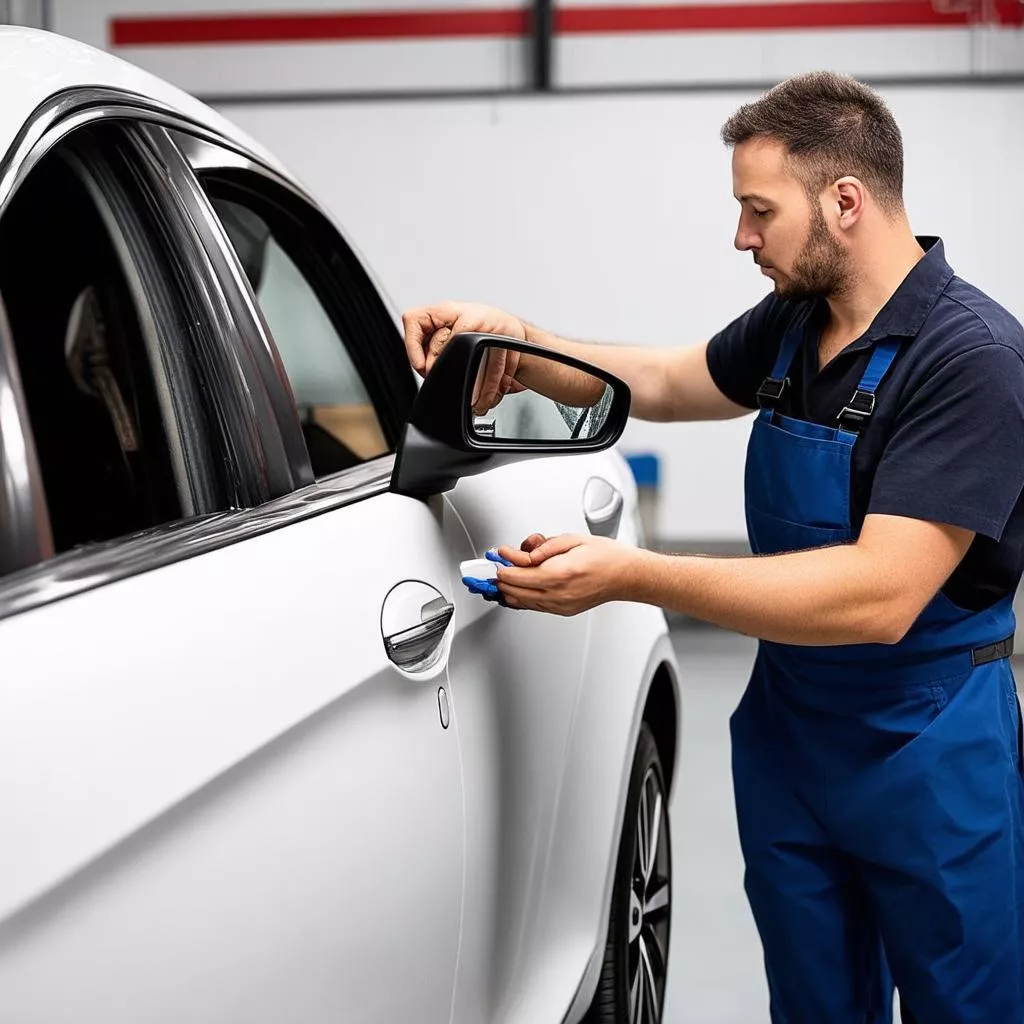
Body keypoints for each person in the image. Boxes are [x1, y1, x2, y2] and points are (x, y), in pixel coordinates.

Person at [402, 71, 1024, 1023]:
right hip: (791, 735)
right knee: (814, 1002)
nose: (742, 238)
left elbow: (879, 596)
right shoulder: (794, 326)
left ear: (844, 203)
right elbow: (667, 377)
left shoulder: (971, 359)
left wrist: (632, 575)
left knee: (965, 1005)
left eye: (757, 211)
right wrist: (524, 349)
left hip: (929, 745)